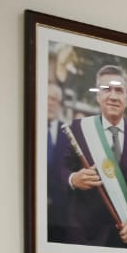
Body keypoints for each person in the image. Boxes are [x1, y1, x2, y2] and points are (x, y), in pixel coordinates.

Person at [58, 64, 127, 248]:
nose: (113, 96)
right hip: (81, 237)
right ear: (97, 96)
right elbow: (59, 170)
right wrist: (73, 179)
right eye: (105, 90)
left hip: (122, 237)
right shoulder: (78, 129)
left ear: (126, 97)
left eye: (119, 90)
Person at [46, 81, 69, 243]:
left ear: (59, 104)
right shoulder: (28, 127)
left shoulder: (68, 134)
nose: (50, 103)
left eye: (54, 99)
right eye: (47, 98)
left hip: (60, 216)